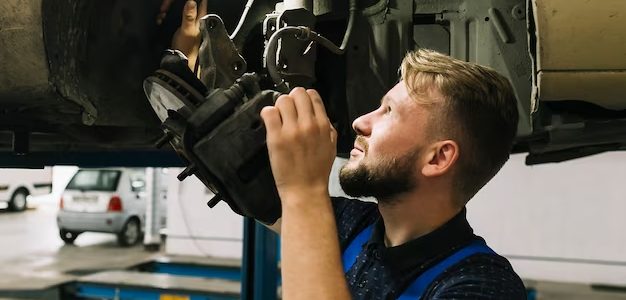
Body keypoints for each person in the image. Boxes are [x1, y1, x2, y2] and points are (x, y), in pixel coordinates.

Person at [164, 1, 526, 299]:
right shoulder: (356, 226)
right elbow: (237, 177)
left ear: (439, 158)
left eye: (388, 112)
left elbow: (298, 205)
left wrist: (304, 190)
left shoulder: (482, 286)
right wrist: (191, 68)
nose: (360, 121)